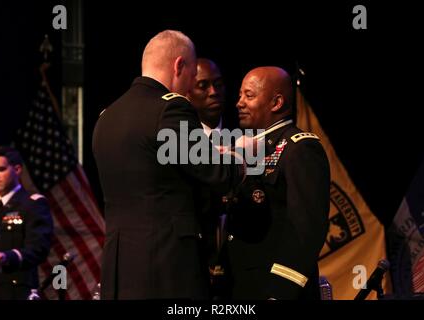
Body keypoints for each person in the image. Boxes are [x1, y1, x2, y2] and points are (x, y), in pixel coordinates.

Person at [92, 30, 245, 299]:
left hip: (118, 267)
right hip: (166, 267)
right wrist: (241, 155)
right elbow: (219, 174)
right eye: (192, 74)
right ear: (179, 65)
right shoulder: (170, 109)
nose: (190, 85)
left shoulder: (107, 116)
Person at [224, 66, 330, 299]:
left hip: (275, 289)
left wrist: (280, 292)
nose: (239, 103)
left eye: (249, 95)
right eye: (240, 95)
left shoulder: (299, 148)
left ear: (276, 102)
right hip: (241, 287)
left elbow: (306, 231)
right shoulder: (246, 148)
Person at [187, 58, 232, 298]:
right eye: (203, 86)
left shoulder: (246, 136)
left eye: (219, 84)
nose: (214, 92)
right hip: (196, 264)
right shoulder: (181, 143)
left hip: (240, 264)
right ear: (187, 92)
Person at [0, 146, 53, 300]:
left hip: (17, 291)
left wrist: (8, 257)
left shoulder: (32, 204)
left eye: (0, 169)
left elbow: (39, 248)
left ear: (17, 170)